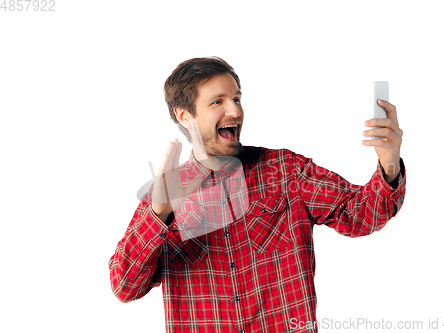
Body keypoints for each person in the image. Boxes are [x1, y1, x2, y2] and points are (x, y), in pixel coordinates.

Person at [108, 57, 406, 333]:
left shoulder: (285, 170)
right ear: (185, 115)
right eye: (218, 101)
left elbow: (361, 216)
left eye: (236, 98)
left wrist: (389, 163)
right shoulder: (164, 196)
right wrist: (159, 214)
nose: (235, 111)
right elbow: (124, 287)